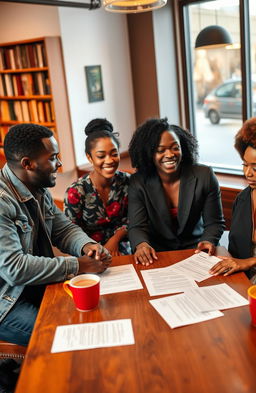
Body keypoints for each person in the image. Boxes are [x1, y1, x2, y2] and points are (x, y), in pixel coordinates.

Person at [0, 123, 111, 347]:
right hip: (8, 302)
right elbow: (15, 268)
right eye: (53, 158)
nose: (59, 164)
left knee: (96, 314)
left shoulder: (37, 188)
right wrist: (78, 265)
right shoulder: (2, 202)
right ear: (27, 164)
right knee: (70, 337)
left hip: (37, 287)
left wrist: (87, 246)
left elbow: (64, 230)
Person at [128, 117, 225, 266]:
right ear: (149, 154)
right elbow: (137, 226)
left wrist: (208, 240)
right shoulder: (138, 182)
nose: (170, 154)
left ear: (183, 147)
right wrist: (141, 245)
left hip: (197, 250)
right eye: (161, 150)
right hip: (156, 254)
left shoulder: (204, 175)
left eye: (175, 147)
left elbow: (214, 222)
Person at [64, 118, 130, 256]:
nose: (109, 160)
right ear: (89, 157)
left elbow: (137, 219)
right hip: (89, 254)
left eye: (114, 154)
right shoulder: (76, 191)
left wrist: (115, 239)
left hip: (123, 249)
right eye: (101, 156)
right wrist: (95, 251)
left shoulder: (128, 182)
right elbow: (70, 233)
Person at [210, 117, 256, 282]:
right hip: (245, 276)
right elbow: (235, 249)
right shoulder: (242, 199)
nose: (248, 173)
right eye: (245, 165)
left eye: (255, 167)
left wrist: (247, 263)